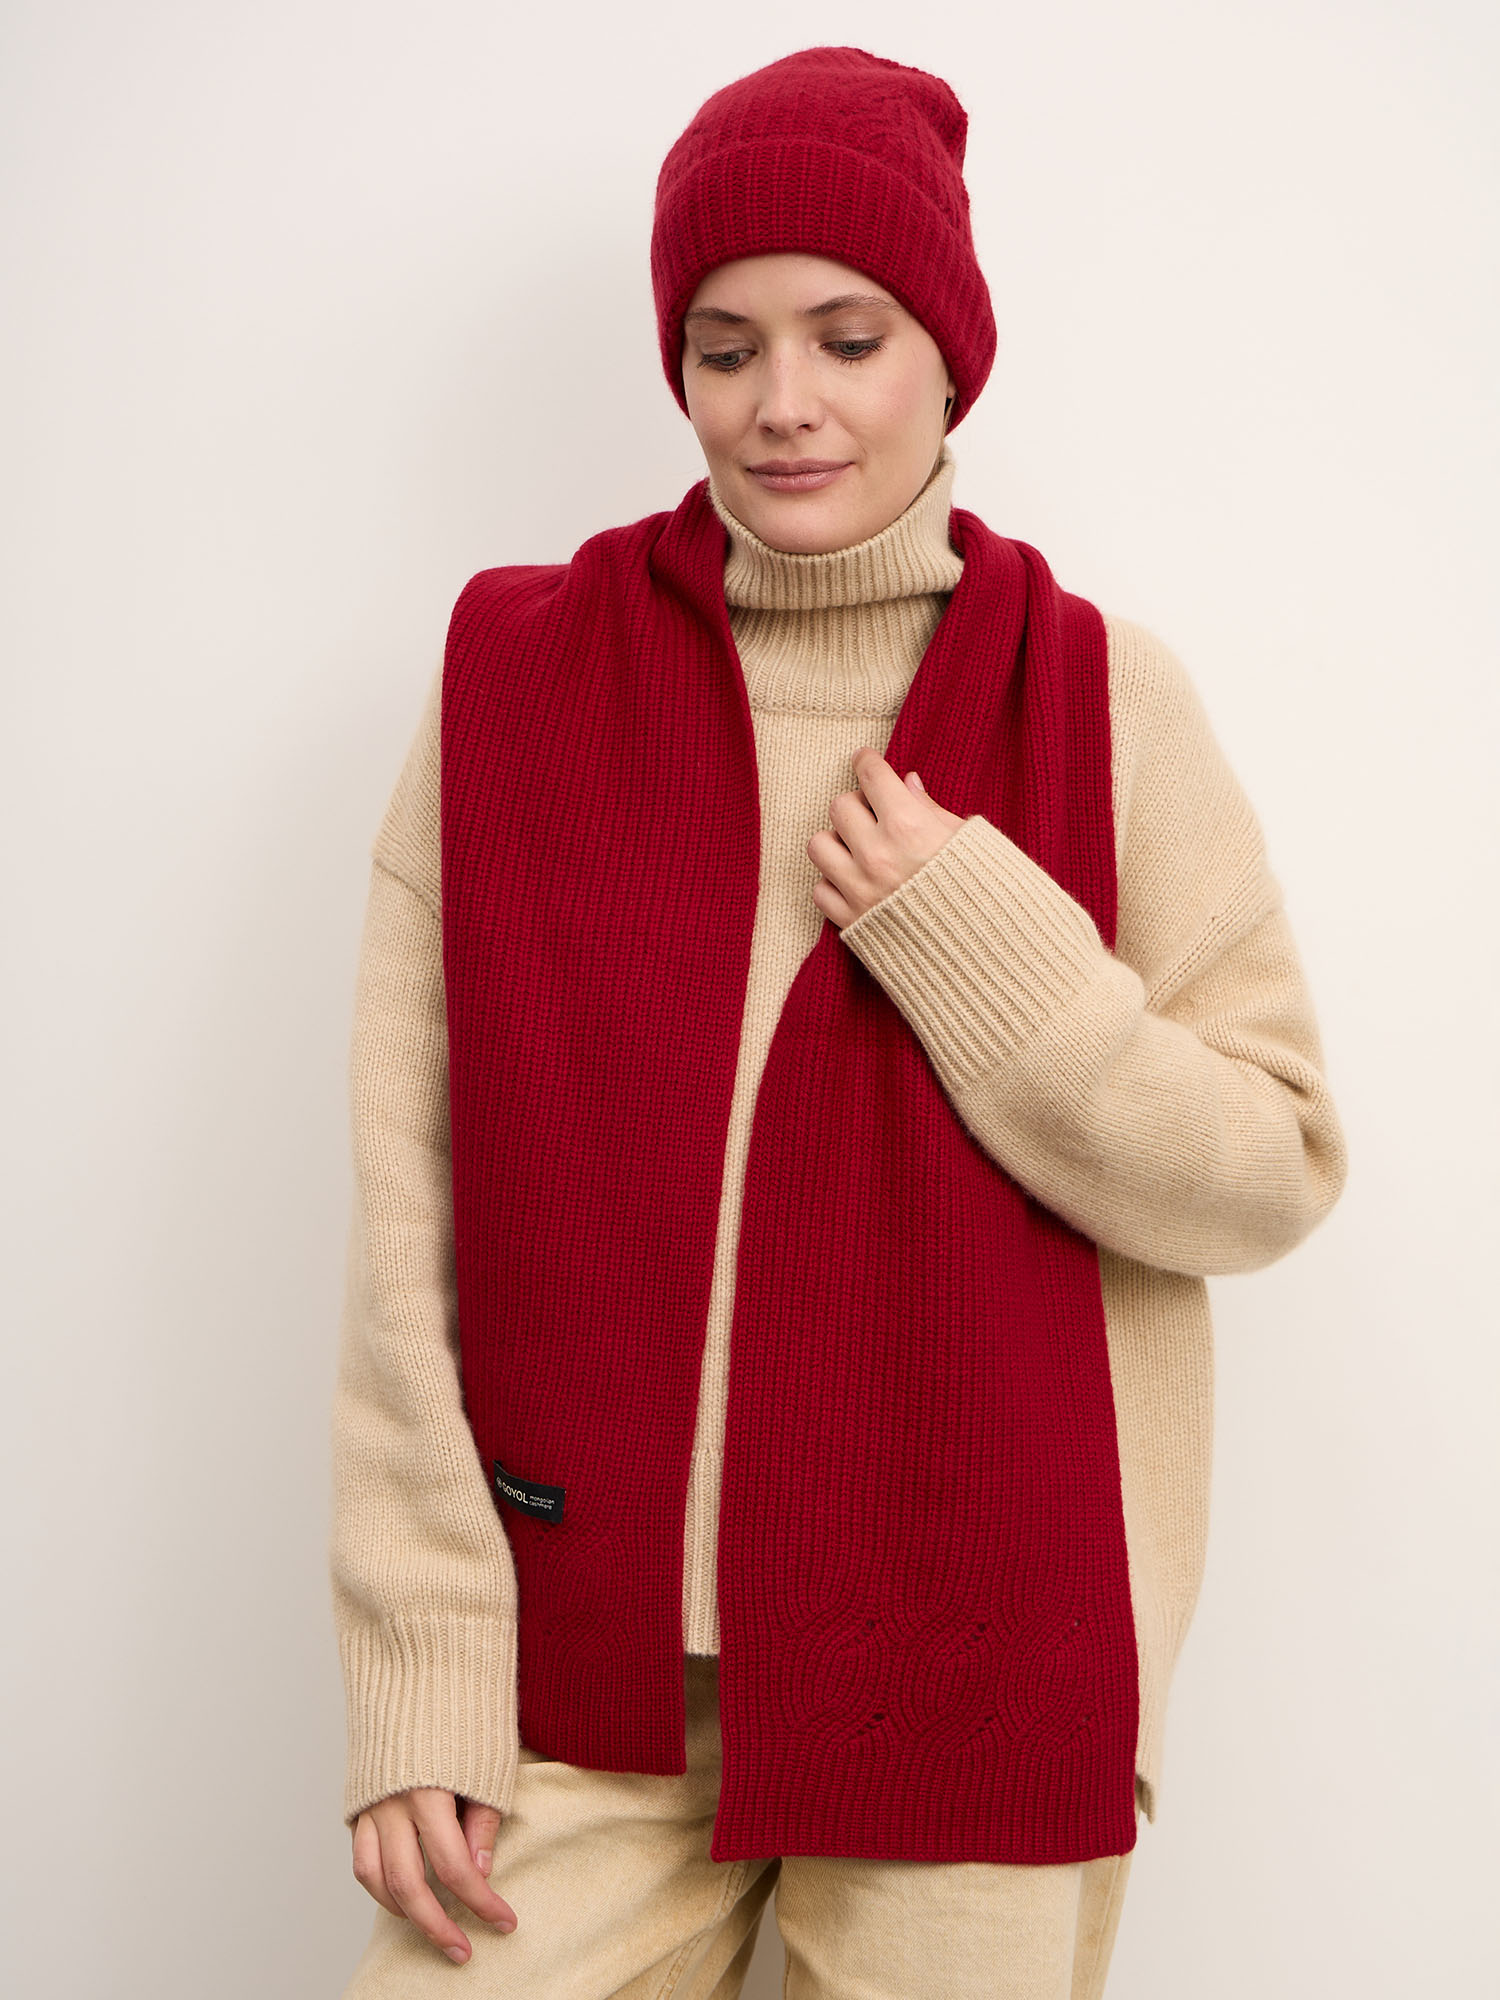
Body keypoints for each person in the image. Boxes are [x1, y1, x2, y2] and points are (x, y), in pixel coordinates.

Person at [329, 44, 1348, 2000]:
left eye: (846, 337)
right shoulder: (517, 685)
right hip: (579, 1676)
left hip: (974, 1661)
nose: (782, 401)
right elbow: (406, 1225)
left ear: (947, 357)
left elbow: (1268, 1169)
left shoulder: (1102, 702)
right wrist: (419, 1673)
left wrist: (987, 946)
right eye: (724, 349)